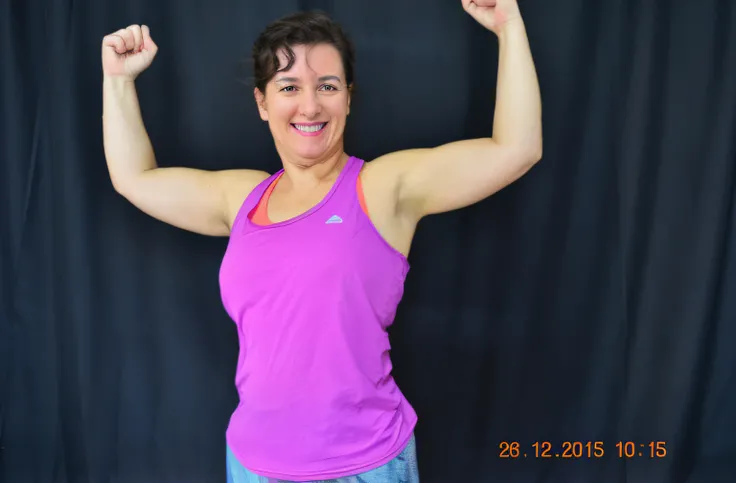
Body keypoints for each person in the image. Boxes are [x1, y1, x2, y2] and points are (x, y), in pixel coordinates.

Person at [100, 1, 542, 481]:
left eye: (327, 87)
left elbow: (517, 149)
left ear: (347, 98)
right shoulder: (242, 199)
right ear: (262, 102)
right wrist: (119, 81)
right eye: (289, 87)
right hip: (253, 465)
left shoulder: (381, 187)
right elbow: (133, 178)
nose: (310, 106)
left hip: (364, 465)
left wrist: (509, 26)